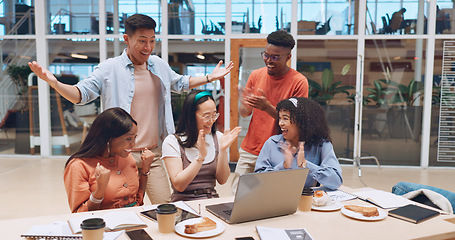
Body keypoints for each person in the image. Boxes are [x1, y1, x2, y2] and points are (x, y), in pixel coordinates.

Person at [28, 14, 234, 204]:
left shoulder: (158, 65)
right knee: (124, 206)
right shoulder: (109, 68)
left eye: (152, 40)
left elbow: (180, 83)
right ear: (127, 39)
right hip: (120, 155)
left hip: (151, 153)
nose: (148, 47)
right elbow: (81, 94)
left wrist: (209, 77)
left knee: (165, 206)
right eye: (142, 41)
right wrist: (55, 84)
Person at [231, 30, 309, 194]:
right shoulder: (256, 75)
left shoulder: (299, 82)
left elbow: (295, 123)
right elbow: (245, 113)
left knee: (271, 197)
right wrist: (244, 103)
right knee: (237, 196)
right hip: (250, 148)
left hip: (280, 151)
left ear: (288, 57)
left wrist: (267, 107)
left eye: (275, 57)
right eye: (266, 55)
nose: (269, 61)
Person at [64, 107, 154, 212]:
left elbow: (137, 202)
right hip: (104, 225)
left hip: (134, 220)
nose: (133, 144)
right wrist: (100, 190)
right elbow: (79, 214)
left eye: (135, 137)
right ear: (108, 138)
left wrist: (145, 171)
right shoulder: (78, 166)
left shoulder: (127, 157)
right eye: (129, 138)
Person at [161, 91, 241, 201]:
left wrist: (223, 150)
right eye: (206, 116)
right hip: (184, 203)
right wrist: (200, 157)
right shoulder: (172, 142)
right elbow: (179, 185)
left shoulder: (218, 137)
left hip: (210, 200)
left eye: (214, 115)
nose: (211, 121)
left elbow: (222, 180)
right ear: (191, 115)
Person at [254, 97, 342, 190]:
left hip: (306, 200)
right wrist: (282, 167)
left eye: (285, 118)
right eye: (280, 118)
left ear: (301, 122)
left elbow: (336, 182)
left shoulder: (321, 144)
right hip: (275, 198)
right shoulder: (271, 143)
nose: (280, 123)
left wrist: (306, 165)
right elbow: (258, 182)